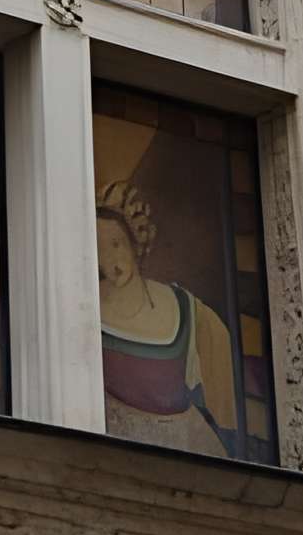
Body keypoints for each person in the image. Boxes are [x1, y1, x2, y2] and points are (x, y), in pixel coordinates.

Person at [95, 180, 240, 458]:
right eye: (100, 249)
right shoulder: (87, 314)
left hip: (187, 446)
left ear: (135, 241)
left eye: (116, 243)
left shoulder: (185, 308)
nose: (111, 260)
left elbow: (222, 389)